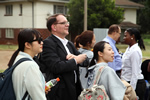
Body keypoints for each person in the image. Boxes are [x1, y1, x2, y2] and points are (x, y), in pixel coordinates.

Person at [40, 13, 89, 100]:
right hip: (60, 93)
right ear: (54, 27)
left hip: (74, 90)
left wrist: (76, 57)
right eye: (63, 23)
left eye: (67, 22)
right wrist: (75, 60)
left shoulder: (69, 43)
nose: (67, 25)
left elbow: (85, 62)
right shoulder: (48, 43)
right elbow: (56, 66)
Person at [7, 29, 49, 100]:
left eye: (41, 39)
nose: (42, 43)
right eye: (39, 40)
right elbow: (39, 97)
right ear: (27, 45)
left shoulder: (18, 59)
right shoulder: (30, 66)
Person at [121, 28, 146, 100]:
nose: (124, 38)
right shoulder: (129, 49)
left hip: (135, 84)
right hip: (127, 82)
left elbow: (135, 73)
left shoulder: (135, 51)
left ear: (132, 37)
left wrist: (132, 91)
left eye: (126, 36)